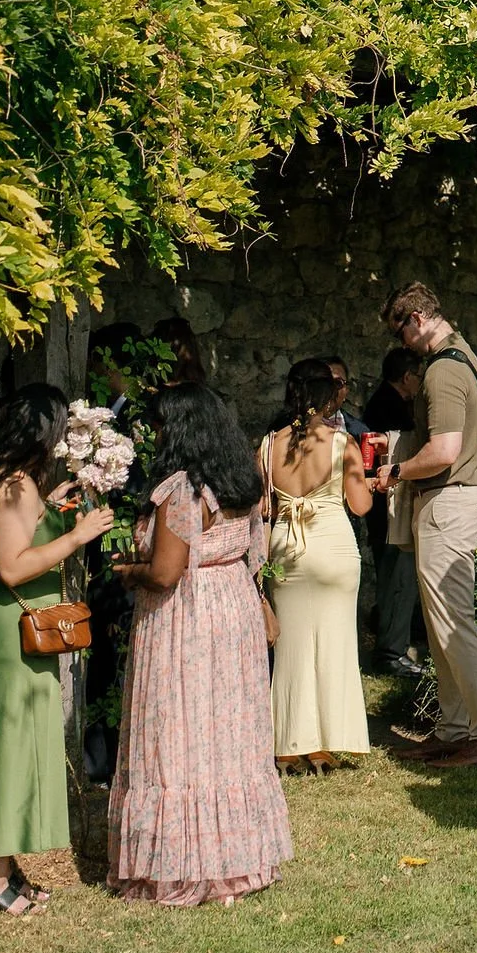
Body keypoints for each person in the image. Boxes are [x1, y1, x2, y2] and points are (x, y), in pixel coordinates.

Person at [108, 382, 291, 907]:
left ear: (179, 428)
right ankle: (233, 855)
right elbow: (254, 555)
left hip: (185, 620)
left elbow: (166, 574)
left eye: (161, 424)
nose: (155, 434)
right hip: (231, 612)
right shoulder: (239, 482)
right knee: (225, 734)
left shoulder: (181, 491)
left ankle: (183, 863)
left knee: (178, 733)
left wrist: (127, 572)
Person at [0, 384, 115, 915]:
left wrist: (49, 509)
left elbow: (13, 537)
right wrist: (78, 535)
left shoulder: (2, 480)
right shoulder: (14, 484)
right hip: (9, 629)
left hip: (1, 624)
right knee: (7, 748)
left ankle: (4, 867)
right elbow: (13, 566)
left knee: (14, 742)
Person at [383, 283, 477, 766]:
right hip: (457, 501)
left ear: (416, 318)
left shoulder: (442, 371)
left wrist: (395, 470)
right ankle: (455, 727)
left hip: (450, 501)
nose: (402, 346)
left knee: (455, 622)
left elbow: (444, 451)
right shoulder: (466, 358)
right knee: (441, 625)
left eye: (400, 333)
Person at [263, 360, 373, 769]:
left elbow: (263, 509)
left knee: (291, 646)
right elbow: (360, 506)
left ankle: (289, 744)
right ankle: (326, 742)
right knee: (334, 644)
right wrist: (376, 483)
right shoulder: (342, 442)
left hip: (286, 546)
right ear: (328, 396)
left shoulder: (268, 444)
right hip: (332, 546)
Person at [362, 348, 425, 675]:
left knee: (398, 579)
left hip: (392, 509)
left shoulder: (385, 402)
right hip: (390, 511)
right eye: (418, 375)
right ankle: (390, 652)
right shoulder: (387, 406)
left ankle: (394, 646)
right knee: (396, 579)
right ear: (406, 377)